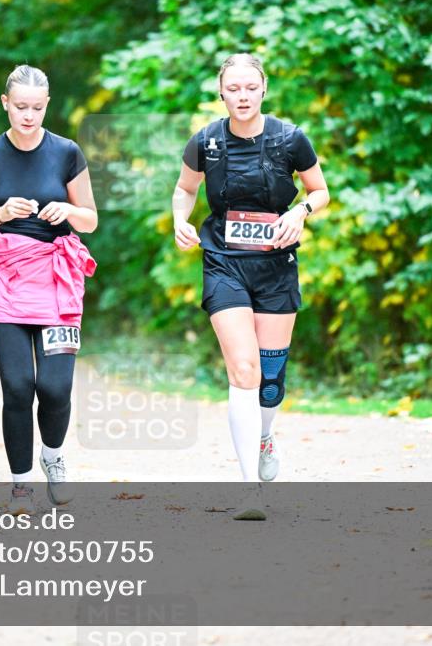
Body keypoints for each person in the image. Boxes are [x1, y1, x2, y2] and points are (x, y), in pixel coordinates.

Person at [172, 54, 330, 520]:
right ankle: (249, 490)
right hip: (224, 261)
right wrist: (180, 219)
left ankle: (265, 434)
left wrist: (300, 212)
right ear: (221, 93)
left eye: (250, 88)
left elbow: (319, 190)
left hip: (276, 265)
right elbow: (185, 188)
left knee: (270, 378)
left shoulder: (290, 138)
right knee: (243, 371)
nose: (242, 96)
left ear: (264, 90)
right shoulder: (205, 142)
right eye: (233, 88)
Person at [0, 65, 98, 515]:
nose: (28, 116)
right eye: (20, 107)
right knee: (18, 387)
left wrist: (67, 209)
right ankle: (19, 485)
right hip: (5, 280)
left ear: (47, 105)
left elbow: (90, 219)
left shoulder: (67, 152)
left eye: (36, 108)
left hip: (57, 280)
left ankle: (53, 456)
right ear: (5, 104)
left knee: (55, 389)